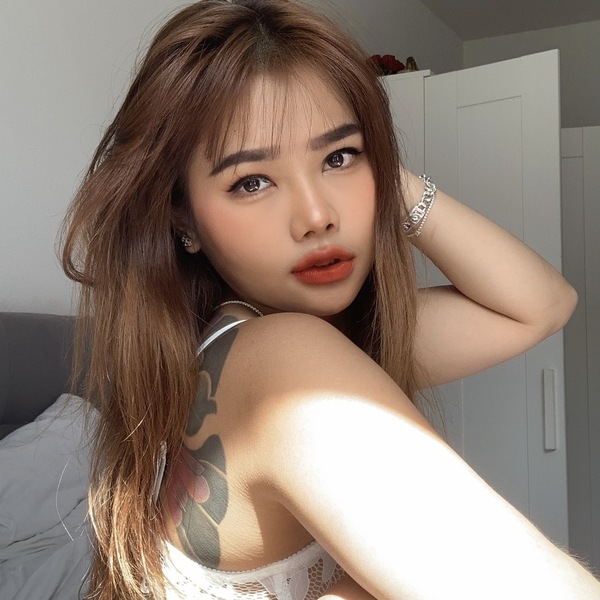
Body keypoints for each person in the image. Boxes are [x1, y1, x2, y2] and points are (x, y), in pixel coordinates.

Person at [60, 1, 599, 599]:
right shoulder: (281, 360)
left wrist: (386, 177)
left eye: (339, 156)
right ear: (182, 219)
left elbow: (542, 305)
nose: (317, 216)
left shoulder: (234, 351)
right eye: (251, 181)